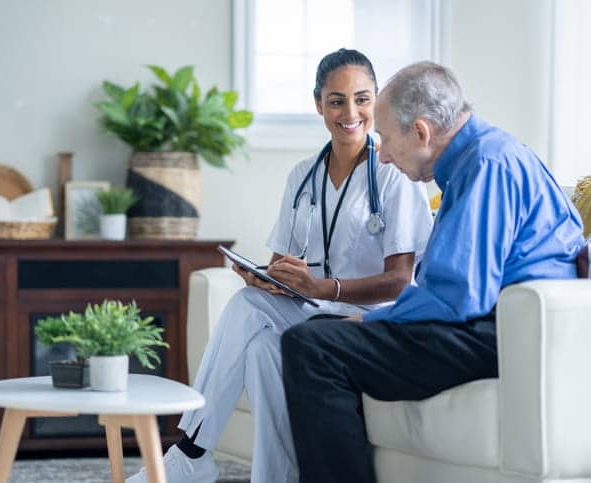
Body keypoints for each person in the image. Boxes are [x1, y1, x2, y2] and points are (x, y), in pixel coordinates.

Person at [126, 49, 433, 483]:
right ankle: (267, 475)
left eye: (362, 99)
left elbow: (401, 282)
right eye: (336, 100)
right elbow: (283, 265)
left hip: (367, 319)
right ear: (318, 104)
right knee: (254, 323)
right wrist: (264, 278)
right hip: (313, 310)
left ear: (377, 101)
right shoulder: (302, 176)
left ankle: (191, 454)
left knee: (258, 331)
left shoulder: (392, 173)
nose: (351, 113)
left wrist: (324, 288)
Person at [280, 61, 586, 483]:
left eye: (386, 138)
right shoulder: (485, 155)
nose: (382, 153)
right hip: (491, 323)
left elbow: (457, 295)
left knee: (312, 346)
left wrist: (371, 318)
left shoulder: (487, 165)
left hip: (499, 332)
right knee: (321, 334)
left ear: (421, 132)